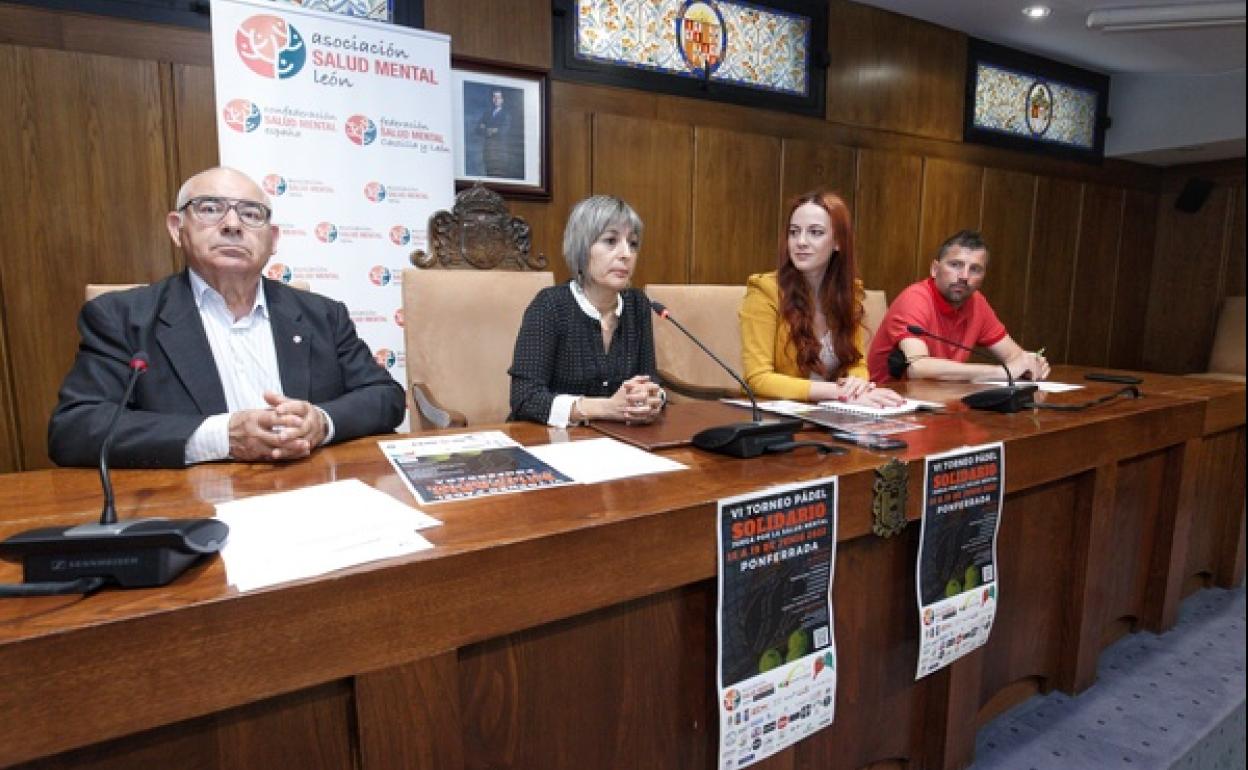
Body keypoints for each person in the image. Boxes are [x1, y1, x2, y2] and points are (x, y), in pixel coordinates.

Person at [48, 167, 406, 469]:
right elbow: (75, 429)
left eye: (251, 214)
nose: (233, 224)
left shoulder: (323, 314)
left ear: (273, 239)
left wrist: (322, 423)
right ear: (177, 228)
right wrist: (222, 437)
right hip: (197, 506)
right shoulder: (122, 317)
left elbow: (385, 396)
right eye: (210, 209)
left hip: (312, 490)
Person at [740, 189, 905, 407]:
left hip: (829, 412)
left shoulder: (849, 293)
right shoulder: (764, 291)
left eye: (815, 232)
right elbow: (758, 378)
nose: (801, 241)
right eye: (794, 232)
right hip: (776, 419)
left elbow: (856, 363)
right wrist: (838, 392)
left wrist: (856, 383)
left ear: (838, 242)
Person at [509, 195, 664, 426]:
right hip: (550, 441)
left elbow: (648, 379)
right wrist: (606, 408)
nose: (626, 254)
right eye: (611, 241)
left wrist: (653, 398)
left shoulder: (638, 305)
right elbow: (525, 398)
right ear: (582, 248)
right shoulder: (550, 306)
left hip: (619, 441)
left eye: (632, 243)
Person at [866, 230, 1050, 383]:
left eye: (975, 269)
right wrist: (1003, 372)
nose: (964, 276)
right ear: (935, 269)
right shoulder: (915, 299)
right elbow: (918, 367)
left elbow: (1014, 356)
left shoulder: (977, 302)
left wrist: (1030, 363)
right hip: (890, 405)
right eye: (956, 265)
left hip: (941, 402)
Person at [477, 88, 511, 177]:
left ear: (502, 100)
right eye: (494, 97)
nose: (496, 100)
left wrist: (486, 128)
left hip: (499, 152)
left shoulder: (506, 115)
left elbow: (503, 131)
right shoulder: (487, 113)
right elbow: (478, 129)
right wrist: (492, 130)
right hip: (488, 151)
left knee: (498, 177)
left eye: (498, 97)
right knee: (489, 175)